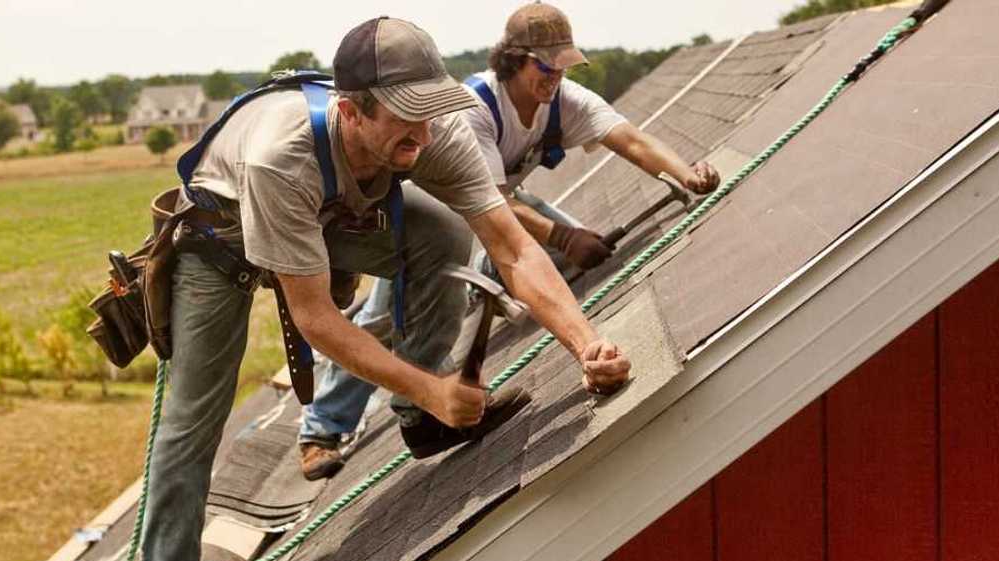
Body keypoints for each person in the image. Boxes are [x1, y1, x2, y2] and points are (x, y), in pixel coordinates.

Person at [107, 16, 630, 561]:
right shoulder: (281, 155)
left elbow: (512, 246)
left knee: (441, 233)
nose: (421, 138)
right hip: (220, 239)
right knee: (190, 424)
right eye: (404, 123)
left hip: (322, 215)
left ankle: (420, 419)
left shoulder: (426, 135)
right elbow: (317, 319)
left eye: (428, 118)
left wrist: (585, 343)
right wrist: (441, 383)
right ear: (351, 111)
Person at [298, 2, 717, 478]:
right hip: (435, 215)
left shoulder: (564, 103)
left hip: (496, 209)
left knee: (561, 260)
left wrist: (687, 175)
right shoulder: (473, 109)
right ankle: (323, 426)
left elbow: (631, 141)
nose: (556, 76)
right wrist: (563, 234)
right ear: (513, 61)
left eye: (565, 66)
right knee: (385, 319)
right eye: (547, 65)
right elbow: (496, 212)